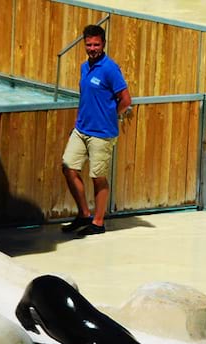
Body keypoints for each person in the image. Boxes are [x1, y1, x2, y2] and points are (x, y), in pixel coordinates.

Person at [61, 24, 132, 236]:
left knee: (97, 177)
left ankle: (98, 222)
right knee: (68, 167)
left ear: (103, 44)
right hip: (81, 129)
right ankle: (84, 214)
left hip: (102, 133)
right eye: (89, 44)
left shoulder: (110, 68)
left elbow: (126, 99)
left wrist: (111, 115)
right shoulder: (85, 67)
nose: (92, 48)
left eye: (96, 44)